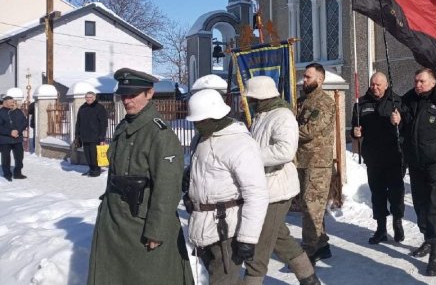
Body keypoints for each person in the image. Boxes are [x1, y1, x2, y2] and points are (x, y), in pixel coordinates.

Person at [87, 68, 194, 284]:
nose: (127, 101)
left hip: (141, 224)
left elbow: (168, 187)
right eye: (124, 95)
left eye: (133, 95)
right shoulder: (124, 126)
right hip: (116, 222)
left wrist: (157, 231)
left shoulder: (160, 134)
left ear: (149, 93)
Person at [185, 89, 269, 284]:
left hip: (227, 231)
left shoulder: (240, 144)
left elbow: (256, 194)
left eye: (200, 121)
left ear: (215, 117)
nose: (197, 126)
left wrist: (248, 237)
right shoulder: (201, 139)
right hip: (204, 228)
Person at [243, 76, 320, 285]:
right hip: (264, 188)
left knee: (260, 243)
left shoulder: (282, 115)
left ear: (261, 96)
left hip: (277, 189)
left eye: (251, 97)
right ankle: (309, 278)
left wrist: (250, 156)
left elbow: (285, 150)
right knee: (280, 238)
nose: (248, 101)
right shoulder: (263, 115)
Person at [390, 68, 436, 276]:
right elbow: (404, 117)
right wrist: (399, 119)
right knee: (420, 204)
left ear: (433, 82)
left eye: (421, 81)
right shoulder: (410, 99)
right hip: (415, 162)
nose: (417, 85)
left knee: (434, 206)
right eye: (415, 81)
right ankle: (427, 237)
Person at [351, 72, 405, 244]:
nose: (374, 87)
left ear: (386, 85)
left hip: (394, 156)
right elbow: (355, 127)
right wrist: (355, 132)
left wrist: (399, 121)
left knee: (396, 193)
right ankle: (381, 228)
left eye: (378, 85)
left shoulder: (397, 102)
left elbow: (408, 127)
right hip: (373, 156)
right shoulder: (361, 104)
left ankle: (397, 221)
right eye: (372, 84)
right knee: (378, 194)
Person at [296, 63, 336, 264]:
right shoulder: (303, 101)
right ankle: (321, 244)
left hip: (318, 163)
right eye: (304, 77)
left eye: (308, 77)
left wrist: (287, 131)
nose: (304, 80)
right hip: (303, 160)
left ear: (320, 80)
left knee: (312, 207)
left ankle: (309, 251)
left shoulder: (324, 103)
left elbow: (308, 131)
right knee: (308, 205)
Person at [74, 91, 108, 177]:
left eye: (90, 97)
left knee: (94, 155)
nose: (88, 99)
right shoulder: (82, 108)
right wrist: (77, 135)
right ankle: (91, 169)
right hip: (84, 136)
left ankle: (96, 170)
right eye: (87, 97)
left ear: (94, 98)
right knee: (87, 155)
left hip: (95, 136)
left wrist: (102, 137)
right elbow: (78, 122)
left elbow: (103, 123)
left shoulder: (99, 108)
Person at [0, 96, 28, 181]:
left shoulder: (18, 111)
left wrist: (18, 131)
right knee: (6, 158)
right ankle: (7, 174)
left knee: (19, 157)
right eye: (11, 102)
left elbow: (25, 122)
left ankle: (17, 173)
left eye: (13, 101)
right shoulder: (1, 112)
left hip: (17, 139)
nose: (13, 103)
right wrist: (10, 132)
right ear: (5, 102)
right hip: (5, 139)